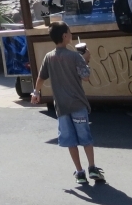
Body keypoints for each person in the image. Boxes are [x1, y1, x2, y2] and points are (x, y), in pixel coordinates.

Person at [31, 21, 105, 186]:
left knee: (70, 140)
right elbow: (85, 76)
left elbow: (41, 77)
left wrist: (36, 92)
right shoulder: (75, 56)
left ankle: (79, 172)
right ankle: (92, 167)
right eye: (70, 33)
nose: (71, 35)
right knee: (85, 137)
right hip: (78, 104)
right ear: (65, 36)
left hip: (62, 107)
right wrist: (86, 60)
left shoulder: (49, 57)